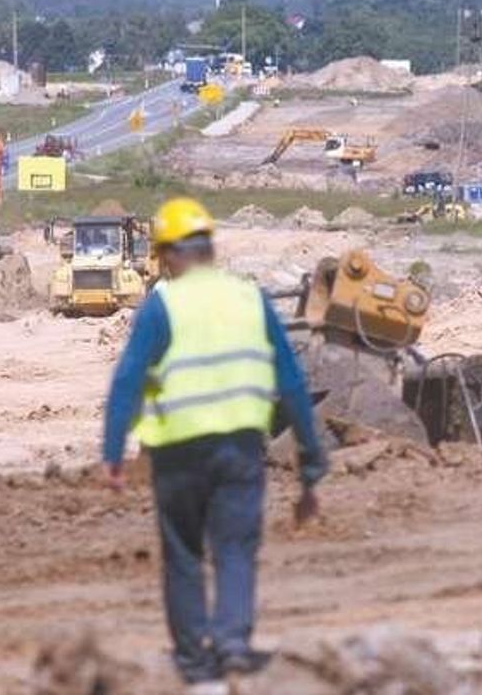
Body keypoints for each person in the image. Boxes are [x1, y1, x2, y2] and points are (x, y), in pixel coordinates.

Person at [102, 197, 328, 686]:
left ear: (167, 254)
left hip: (178, 453)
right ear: (210, 247)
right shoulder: (250, 298)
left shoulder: (163, 304)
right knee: (235, 548)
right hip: (240, 449)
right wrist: (311, 462)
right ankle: (232, 647)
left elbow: (127, 380)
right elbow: (291, 381)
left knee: (184, 554)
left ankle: (193, 659)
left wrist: (113, 454)